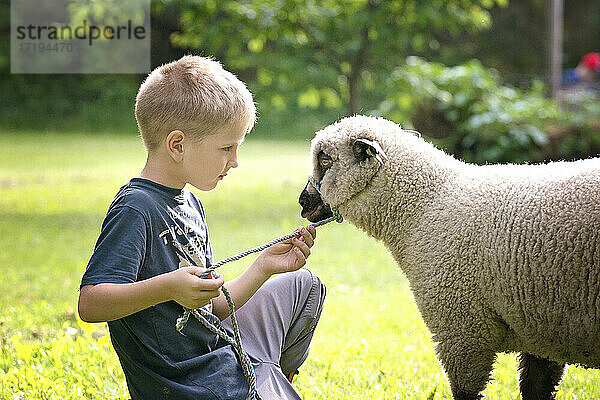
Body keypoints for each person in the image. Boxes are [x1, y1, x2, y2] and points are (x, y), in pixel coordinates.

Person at [77, 55, 326, 400]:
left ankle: (266, 378)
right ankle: (264, 385)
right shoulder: (136, 208)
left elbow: (211, 311)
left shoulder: (191, 204)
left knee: (306, 285)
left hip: (221, 357)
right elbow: (91, 303)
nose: (235, 161)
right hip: (192, 386)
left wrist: (264, 266)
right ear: (177, 145)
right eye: (227, 148)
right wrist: (167, 288)